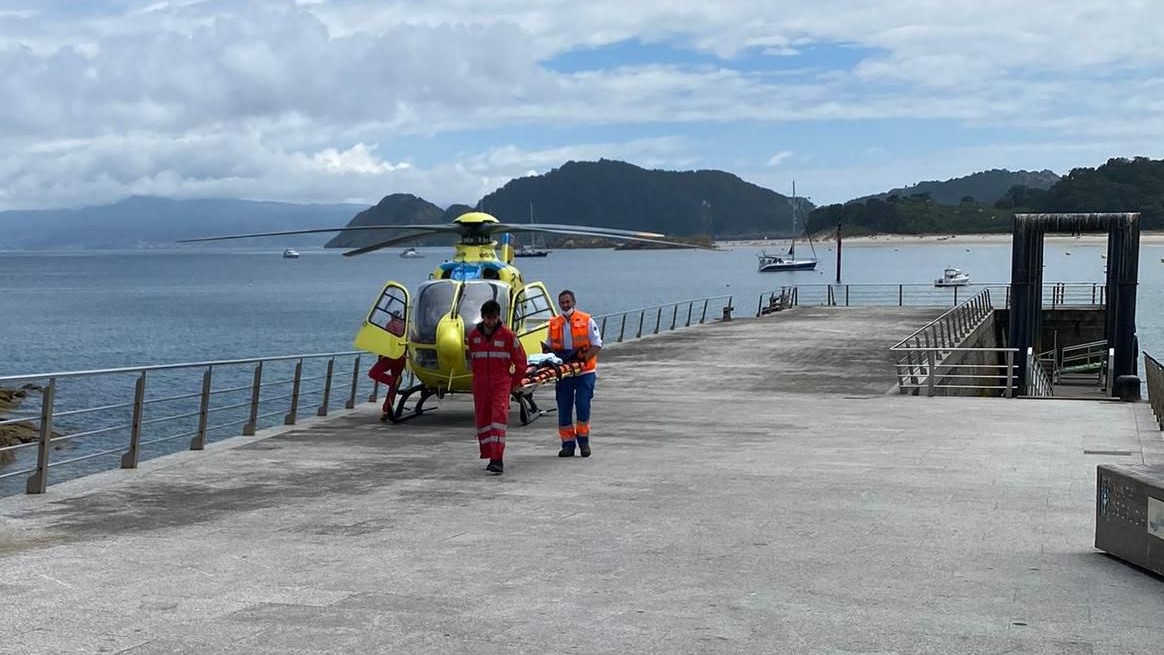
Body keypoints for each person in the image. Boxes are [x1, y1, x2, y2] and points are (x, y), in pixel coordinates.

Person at [467, 299, 527, 474]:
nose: (491, 321)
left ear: (498, 317)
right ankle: (487, 453)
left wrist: (514, 383)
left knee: (498, 420)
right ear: (483, 317)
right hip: (481, 385)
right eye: (488, 318)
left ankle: (497, 459)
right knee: (483, 420)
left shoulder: (508, 336)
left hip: (500, 383)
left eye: (494, 318)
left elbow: (521, 362)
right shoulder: (473, 336)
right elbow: (473, 361)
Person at [545, 289, 602, 458]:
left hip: (585, 371)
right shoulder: (554, 323)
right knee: (564, 408)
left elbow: (597, 344)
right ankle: (567, 445)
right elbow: (549, 346)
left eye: (568, 302)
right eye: (562, 302)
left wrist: (584, 359)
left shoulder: (587, 320)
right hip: (564, 372)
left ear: (574, 302)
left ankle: (584, 443)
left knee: (583, 406)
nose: (565, 305)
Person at [368, 354, 406, 421]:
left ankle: (392, 380)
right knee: (393, 387)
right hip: (402, 358)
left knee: (373, 373)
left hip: (392, 356)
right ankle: (386, 410)